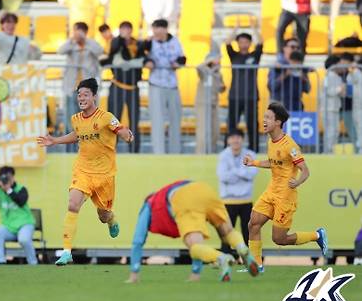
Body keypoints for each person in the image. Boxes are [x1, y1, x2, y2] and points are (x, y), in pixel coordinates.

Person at [37, 78, 134, 266]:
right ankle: (66, 252)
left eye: (85, 95)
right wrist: (55, 141)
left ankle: (111, 219)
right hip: (83, 170)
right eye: (79, 95)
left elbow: (120, 129)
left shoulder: (105, 117)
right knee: (73, 204)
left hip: (104, 174)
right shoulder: (76, 119)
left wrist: (127, 135)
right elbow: (77, 135)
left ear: (94, 97)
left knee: (103, 215)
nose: (81, 98)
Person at [244, 102, 328, 270]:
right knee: (253, 224)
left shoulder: (290, 145)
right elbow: (274, 163)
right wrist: (254, 163)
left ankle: (317, 235)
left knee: (279, 239)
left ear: (278, 122)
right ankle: (256, 265)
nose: (264, 120)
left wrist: (297, 182)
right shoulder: (270, 141)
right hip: (271, 190)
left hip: (285, 195)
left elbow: (305, 170)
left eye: (268, 117)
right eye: (264, 117)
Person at [126, 180, 258, 284]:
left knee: (195, 247)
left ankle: (222, 259)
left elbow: (137, 241)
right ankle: (242, 247)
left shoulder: (150, 203)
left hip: (185, 198)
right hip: (204, 189)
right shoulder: (167, 190)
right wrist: (195, 275)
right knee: (227, 231)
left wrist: (134, 273)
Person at [143, 19, 187, 154]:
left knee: (175, 118)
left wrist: (177, 64)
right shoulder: (149, 42)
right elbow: (142, 56)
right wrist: (148, 62)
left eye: (160, 29)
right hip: (156, 84)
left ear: (165, 29)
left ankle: (175, 151)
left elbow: (183, 58)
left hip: (172, 85)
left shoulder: (175, 42)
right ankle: (158, 152)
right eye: (155, 29)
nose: (157, 32)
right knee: (157, 120)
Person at [102, 21, 144, 153]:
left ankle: (134, 150)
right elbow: (113, 53)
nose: (125, 32)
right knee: (113, 122)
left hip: (132, 88)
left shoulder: (137, 44)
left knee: (134, 121)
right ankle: (110, 150)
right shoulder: (116, 43)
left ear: (131, 31)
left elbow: (142, 60)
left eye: (128, 30)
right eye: (123, 30)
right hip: (117, 87)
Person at [0, 166, 38, 265]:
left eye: (8, 177)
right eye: (2, 178)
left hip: (25, 224)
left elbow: (21, 202)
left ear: (13, 177)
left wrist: (8, 190)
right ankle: (0, 261)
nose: (5, 180)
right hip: (9, 227)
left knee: (24, 239)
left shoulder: (21, 188)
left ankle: (33, 262)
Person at [58, 22, 104, 135]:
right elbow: (60, 51)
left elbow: (99, 51)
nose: (77, 34)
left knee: (87, 116)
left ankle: (86, 143)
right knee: (71, 116)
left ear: (85, 32)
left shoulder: (91, 44)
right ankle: (71, 145)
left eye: (80, 31)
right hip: (72, 87)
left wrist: (85, 41)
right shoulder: (71, 44)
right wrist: (72, 40)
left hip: (86, 88)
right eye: (75, 31)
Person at [225, 21, 263, 152]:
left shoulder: (254, 56)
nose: (243, 44)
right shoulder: (234, 56)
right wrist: (235, 28)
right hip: (235, 95)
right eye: (240, 42)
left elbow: (261, 43)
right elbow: (227, 43)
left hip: (251, 96)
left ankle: (254, 150)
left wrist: (254, 27)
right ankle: (228, 149)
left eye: (246, 41)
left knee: (252, 125)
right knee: (231, 124)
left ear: (249, 43)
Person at [217, 128, 257, 246]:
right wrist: (242, 172)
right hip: (228, 201)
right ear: (228, 140)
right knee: (227, 232)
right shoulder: (223, 156)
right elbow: (223, 177)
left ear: (242, 139)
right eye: (233, 138)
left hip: (246, 200)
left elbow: (252, 174)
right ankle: (227, 256)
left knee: (248, 232)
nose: (235, 140)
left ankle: (250, 258)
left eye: (238, 137)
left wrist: (233, 171)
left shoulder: (250, 154)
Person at [195, 51, 225, 154]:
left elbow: (221, 88)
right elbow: (198, 67)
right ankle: (200, 155)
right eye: (217, 59)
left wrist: (222, 87)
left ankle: (210, 153)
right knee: (203, 132)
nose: (219, 61)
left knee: (215, 132)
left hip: (214, 104)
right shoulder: (204, 71)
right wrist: (209, 61)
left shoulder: (218, 74)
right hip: (203, 104)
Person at [320, 55, 346, 153]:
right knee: (330, 131)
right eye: (340, 64)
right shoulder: (328, 76)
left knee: (335, 131)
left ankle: (331, 150)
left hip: (334, 108)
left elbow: (340, 93)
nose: (342, 66)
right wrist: (340, 89)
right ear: (334, 65)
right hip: (328, 109)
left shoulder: (337, 77)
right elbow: (329, 91)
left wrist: (342, 90)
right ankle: (328, 151)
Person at [349, 56, 362, 152]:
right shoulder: (356, 72)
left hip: (358, 105)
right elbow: (350, 80)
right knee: (359, 126)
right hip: (358, 106)